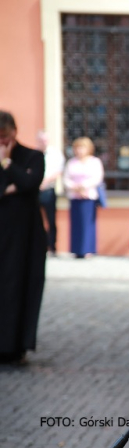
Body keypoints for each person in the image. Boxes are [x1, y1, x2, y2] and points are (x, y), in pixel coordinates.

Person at [0, 110, 46, 364]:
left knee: (23, 286)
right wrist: (12, 186)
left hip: (27, 237)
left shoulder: (33, 156)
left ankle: (17, 346)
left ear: (14, 133)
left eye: (4, 138)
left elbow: (31, 183)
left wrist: (7, 164)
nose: (1, 144)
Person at [63, 137, 104, 258]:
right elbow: (66, 179)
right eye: (78, 148)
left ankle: (88, 249)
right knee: (76, 225)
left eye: (82, 147)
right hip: (75, 196)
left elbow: (97, 178)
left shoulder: (94, 161)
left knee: (88, 224)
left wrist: (83, 187)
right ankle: (76, 249)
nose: (80, 150)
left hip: (88, 196)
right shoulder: (71, 162)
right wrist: (74, 187)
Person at [36, 130, 64, 255]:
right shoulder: (34, 153)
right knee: (36, 220)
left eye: (45, 140)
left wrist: (45, 181)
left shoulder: (55, 154)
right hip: (35, 191)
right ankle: (38, 246)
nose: (43, 142)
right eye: (41, 140)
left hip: (49, 190)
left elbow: (58, 171)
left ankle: (52, 246)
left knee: (51, 220)